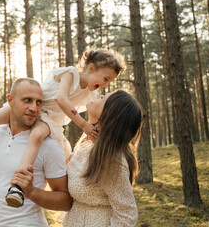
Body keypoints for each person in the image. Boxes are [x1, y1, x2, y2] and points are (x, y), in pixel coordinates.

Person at [0, 49, 126, 207]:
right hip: (35, 106)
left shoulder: (91, 95)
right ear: (91, 68)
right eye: (105, 78)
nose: (105, 85)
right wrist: (83, 124)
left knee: (36, 137)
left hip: (49, 119)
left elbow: (98, 113)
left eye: (109, 82)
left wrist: (100, 129)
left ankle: (17, 185)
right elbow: (62, 99)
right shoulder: (71, 74)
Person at [11, 90, 142, 226]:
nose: (97, 95)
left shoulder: (112, 162)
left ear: (107, 116)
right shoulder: (88, 142)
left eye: (102, 97)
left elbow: (127, 215)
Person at [0, 78, 72, 226]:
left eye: (38, 102)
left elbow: (65, 201)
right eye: (27, 100)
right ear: (10, 100)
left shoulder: (48, 145)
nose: (34, 108)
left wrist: (31, 191)